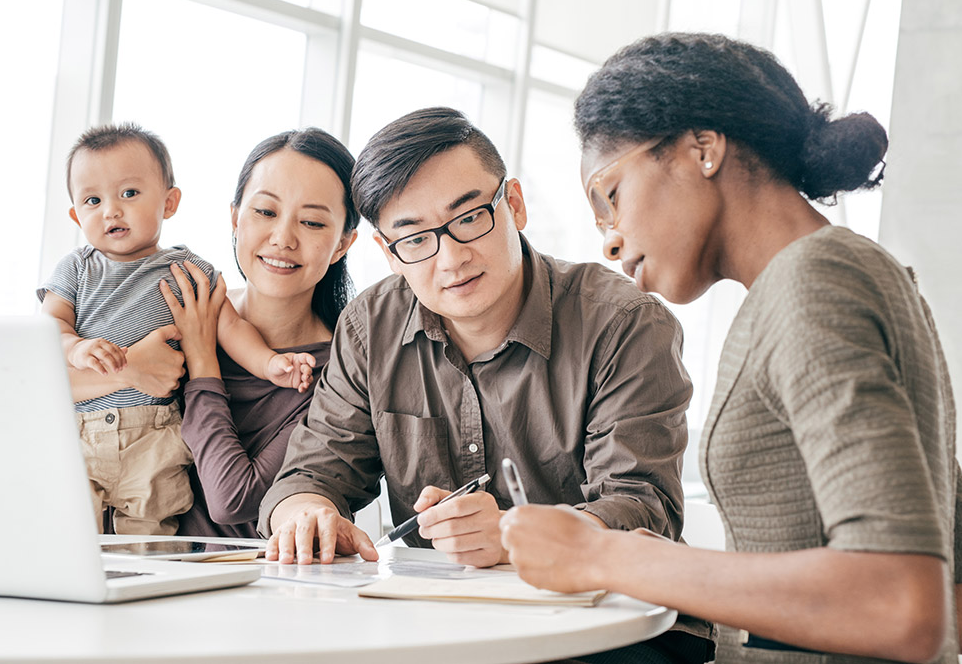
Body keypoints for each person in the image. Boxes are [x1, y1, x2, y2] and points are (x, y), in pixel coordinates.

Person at [499, 33, 962, 664]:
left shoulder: (814, 285)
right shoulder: (866, 278)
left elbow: (900, 605)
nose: (610, 242)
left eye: (611, 196)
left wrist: (605, 554)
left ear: (701, 149)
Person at [258, 107, 713, 662]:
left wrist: (514, 535)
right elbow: (311, 472)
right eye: (415, 239)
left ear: (514, 204)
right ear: (388, 253)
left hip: (616, 624)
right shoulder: (368, 327)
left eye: (470, 217)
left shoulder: (623, 323)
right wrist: (306, 512)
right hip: (446, 623)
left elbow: (646, 508)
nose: (451, 258)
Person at [38, 123, 315, 536]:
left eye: (129, 193)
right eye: (93, 200)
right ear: (77, 215)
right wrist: (75, 349)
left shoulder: (188, 271)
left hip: (156, 435)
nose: (111, 210)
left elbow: (230, 326)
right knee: (67, 536)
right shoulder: (76, 270)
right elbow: (49, 329)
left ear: (169, 202)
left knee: (148, 540)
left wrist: (269, 363)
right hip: (80, 433)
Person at [159, 129, 359, 538]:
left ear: (342, 244)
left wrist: (202, 362)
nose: (283, 239)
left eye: (312, 222)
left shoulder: (337, 374)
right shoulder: (185, 306)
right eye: (265, 212)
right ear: (235, 218)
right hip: (117, 565)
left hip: (243, 588)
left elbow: (233, 499)